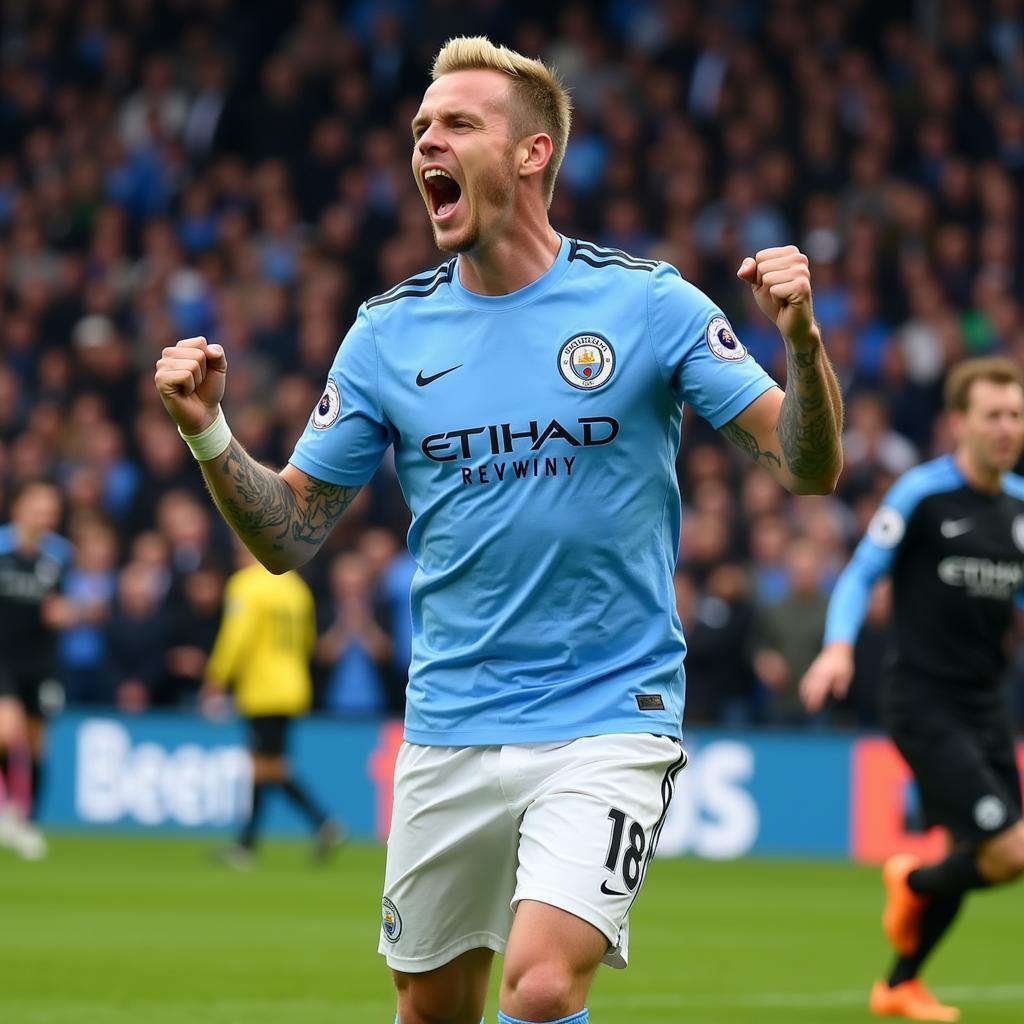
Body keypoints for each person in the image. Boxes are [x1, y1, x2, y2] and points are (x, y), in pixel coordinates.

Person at [155, 36, 842, 1024]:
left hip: (610, 712)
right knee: (433, 1008)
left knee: (542, 982)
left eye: (457, 124)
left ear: (532, 154)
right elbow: (288, 534)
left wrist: (803, 345)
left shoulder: (644, 304)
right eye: (420, 128)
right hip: (449, 722)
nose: (426, 141)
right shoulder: (388, 334)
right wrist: (208, 431)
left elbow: (808, 465)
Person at [801, 357, 1024, 1023]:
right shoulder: (921, 494)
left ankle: (899, 984)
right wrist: (838, 647)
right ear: (959, 423)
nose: (1007, 427)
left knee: (972, 850)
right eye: (993, 415)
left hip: (987, 705)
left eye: (1015, 414)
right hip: (923, 701)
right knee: (1009, 851)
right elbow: (862, 572)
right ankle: (912, 881)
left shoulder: (1017, 508)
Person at [203, 544, 345, 867]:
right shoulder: (296, 587)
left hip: (263, 689)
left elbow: (237, 636)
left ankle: (323, 822)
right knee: (263, 766)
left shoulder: (247, 584)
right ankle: (247, 845)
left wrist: (216, 677)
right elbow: (308, 641)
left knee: (269, 768)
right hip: (293, 686)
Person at [0, 479, 73, 859]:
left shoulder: (60, 555)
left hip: (40, 660)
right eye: (38, 508)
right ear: (19, 509)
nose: (45, 516)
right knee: (5, 729)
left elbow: (63, 604)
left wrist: (65, 614)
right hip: (3, 657)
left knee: (35, 743)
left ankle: (26, 821)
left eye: (51, 511)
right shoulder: (1, 548)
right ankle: (7, 811)